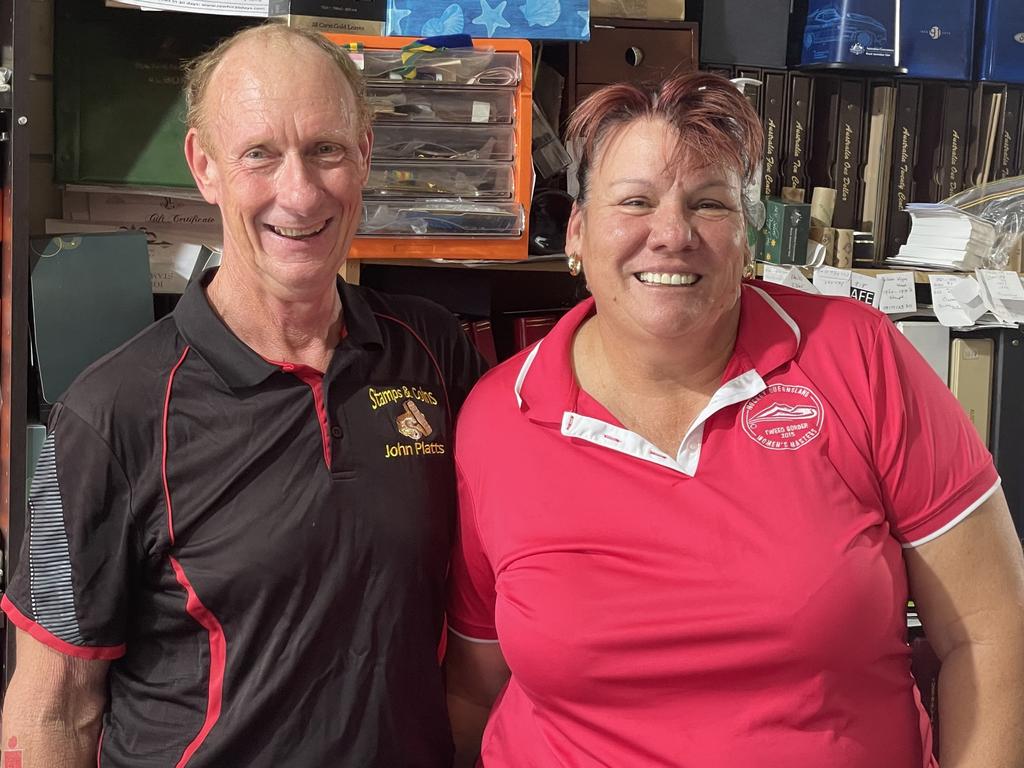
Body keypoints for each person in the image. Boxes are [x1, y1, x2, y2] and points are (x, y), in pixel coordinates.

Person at [446, 72, 1024, 768]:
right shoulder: (498, 417)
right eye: (635, 201)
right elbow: (476, 689)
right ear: (577, 231)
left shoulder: (859, 357)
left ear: (748, 238)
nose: (671, 235)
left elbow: (993, 632)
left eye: (709, 203)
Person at [1, 23, 485, 767]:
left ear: (365, 153)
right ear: (204, 166)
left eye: (326, 149)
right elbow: (52, 709)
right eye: (260, 154)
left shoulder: (432, 351)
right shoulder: (106, 415)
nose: (300, 191)